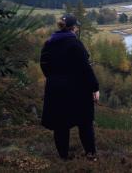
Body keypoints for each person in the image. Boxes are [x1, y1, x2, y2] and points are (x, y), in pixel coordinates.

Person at [40, 13, 100, 161]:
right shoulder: (75, 44)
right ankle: (91, 155)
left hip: (55, 90)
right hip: (78, 90)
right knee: (85, 123)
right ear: (73, 28)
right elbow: (86, 69)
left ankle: (64, 158)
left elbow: (44, 65)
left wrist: (54, 79)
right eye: (77, 26)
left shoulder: (49, 43)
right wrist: (95, 88)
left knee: (60, 125)